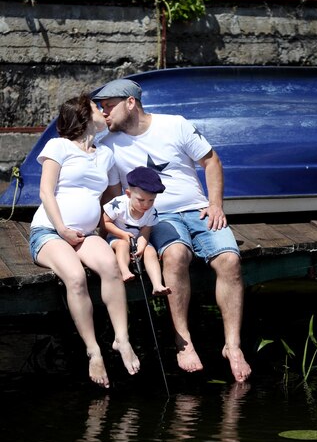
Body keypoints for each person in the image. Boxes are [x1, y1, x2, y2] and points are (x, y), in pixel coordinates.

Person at [93, 79, 251, 383]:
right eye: (101, 107)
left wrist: (216, 204)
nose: (104, 113)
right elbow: (114, 199)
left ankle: (232, 346)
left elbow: (211, 161)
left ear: (130, 103)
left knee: (230, 262)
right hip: (158, 216)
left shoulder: (175, 125)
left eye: (108, 106)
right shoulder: (108, 146)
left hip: (198, 209)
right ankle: (184, 341)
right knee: (175, 255)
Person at [29, 93, 140, 389]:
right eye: (96, 107)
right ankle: (93, 350)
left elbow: (113, 201)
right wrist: (62, 228)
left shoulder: (105, 155)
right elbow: (45, 193)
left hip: (87, 236)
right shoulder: (59, 146)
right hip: (51, 231)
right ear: (81, 114)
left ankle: (122, 339)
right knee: (76, 277)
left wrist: (134, 231)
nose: (103, 112)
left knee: (110, 267)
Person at [102, 165, 171, 295]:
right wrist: (122, 234)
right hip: (117, 237)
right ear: (128, 194)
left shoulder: (151, 211)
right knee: (122, 245)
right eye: (141, 200)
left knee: (150, 251)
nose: (146, 205)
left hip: (137, 240)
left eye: (151, 200)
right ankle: (125, 271)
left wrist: (141, 247)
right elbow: (105, 222)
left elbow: (145, 230)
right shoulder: (118, 204)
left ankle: (157, 284)